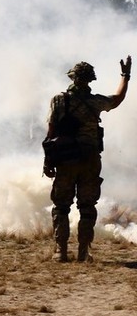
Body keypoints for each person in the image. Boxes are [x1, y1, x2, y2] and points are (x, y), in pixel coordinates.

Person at [43, 57, 130, 262]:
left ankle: (61, 251)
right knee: (87, 207)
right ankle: (84, 252)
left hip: (66, 158)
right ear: (90, 80)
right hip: (90, 160)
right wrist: (125, 76)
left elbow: (51, 132)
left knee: (61, 206)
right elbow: (117, 98)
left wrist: (48, 162)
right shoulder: (95, 102)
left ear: (72, 78)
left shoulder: (59, 100)